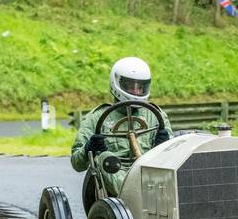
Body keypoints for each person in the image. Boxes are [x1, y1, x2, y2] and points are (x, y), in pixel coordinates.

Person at [71, 57, 172, 199]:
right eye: (131, 87)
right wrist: (89, 148)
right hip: (115, 180)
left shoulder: (156, 116)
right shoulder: (97, 117)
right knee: (105, 157)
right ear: (117, 83)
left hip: (151, 175)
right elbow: (77, 163)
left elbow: (174, 158)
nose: (136, 91)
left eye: (140, 87)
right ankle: (133, 198)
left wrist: (165, 146)